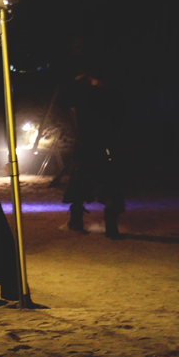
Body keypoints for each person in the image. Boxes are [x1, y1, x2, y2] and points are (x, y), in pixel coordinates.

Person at [61, 67, 124, 237]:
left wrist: (74, 82)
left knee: (79, 181)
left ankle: (76, 222)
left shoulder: (84, 94)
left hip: (85, 144)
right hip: (106, 144)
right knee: (109, 183)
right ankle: (111, 227)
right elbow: (120, 120)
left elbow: (63, 101)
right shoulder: (114, 95)